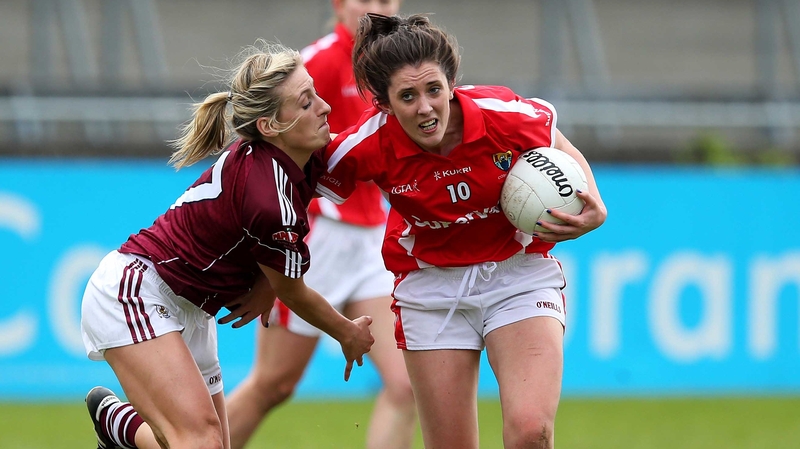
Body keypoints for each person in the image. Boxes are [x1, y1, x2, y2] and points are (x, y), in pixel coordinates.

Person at [315, 13, 608, 449]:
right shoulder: (369, 143)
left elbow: (559, 145)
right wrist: (266, 272)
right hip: (430, 292)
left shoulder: (503, 114)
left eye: (434, 89)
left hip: (517, 275)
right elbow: (291, 188)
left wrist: (595, 206)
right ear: (383, 103)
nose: (425, 107)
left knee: (532, 432)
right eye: (407, 96)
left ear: (451, 83)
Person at [80, 41, 374, 449]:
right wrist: (345, 332)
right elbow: (292, 290)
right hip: (137, 292)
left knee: (206, 443)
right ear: (271, 127)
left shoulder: (291, 159)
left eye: (316, 94)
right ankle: (121, 426)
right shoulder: (267, 197)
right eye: (305, 103)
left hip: (191, 307)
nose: (324, 107)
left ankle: (120, 429)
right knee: (200, 440)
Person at [225, 2, 416, 449]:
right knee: (274, 385)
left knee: (406, 386)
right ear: (338, 4)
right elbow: (268, 154)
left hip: (373, 238)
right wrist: (269, 251)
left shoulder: (397, 67)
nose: (377, 9)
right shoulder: (318, 63)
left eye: (386, 0)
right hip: (318, 235)